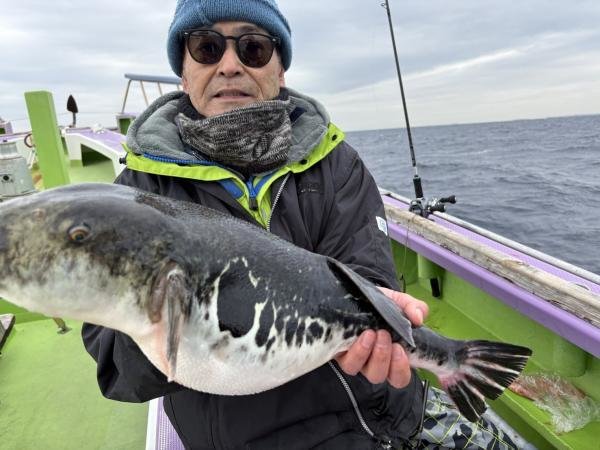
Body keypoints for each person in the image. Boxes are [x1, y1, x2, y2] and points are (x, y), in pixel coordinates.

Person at [82, 1, 528, 449]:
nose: (230, 65)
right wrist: (171, 324)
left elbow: (369, 278)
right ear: (184, 71)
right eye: (206, 47)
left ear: (280, 70)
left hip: (392, 410)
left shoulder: (336, 165)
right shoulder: (139, 196)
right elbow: (114, 364)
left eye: (253, 48)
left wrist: (381, 317)